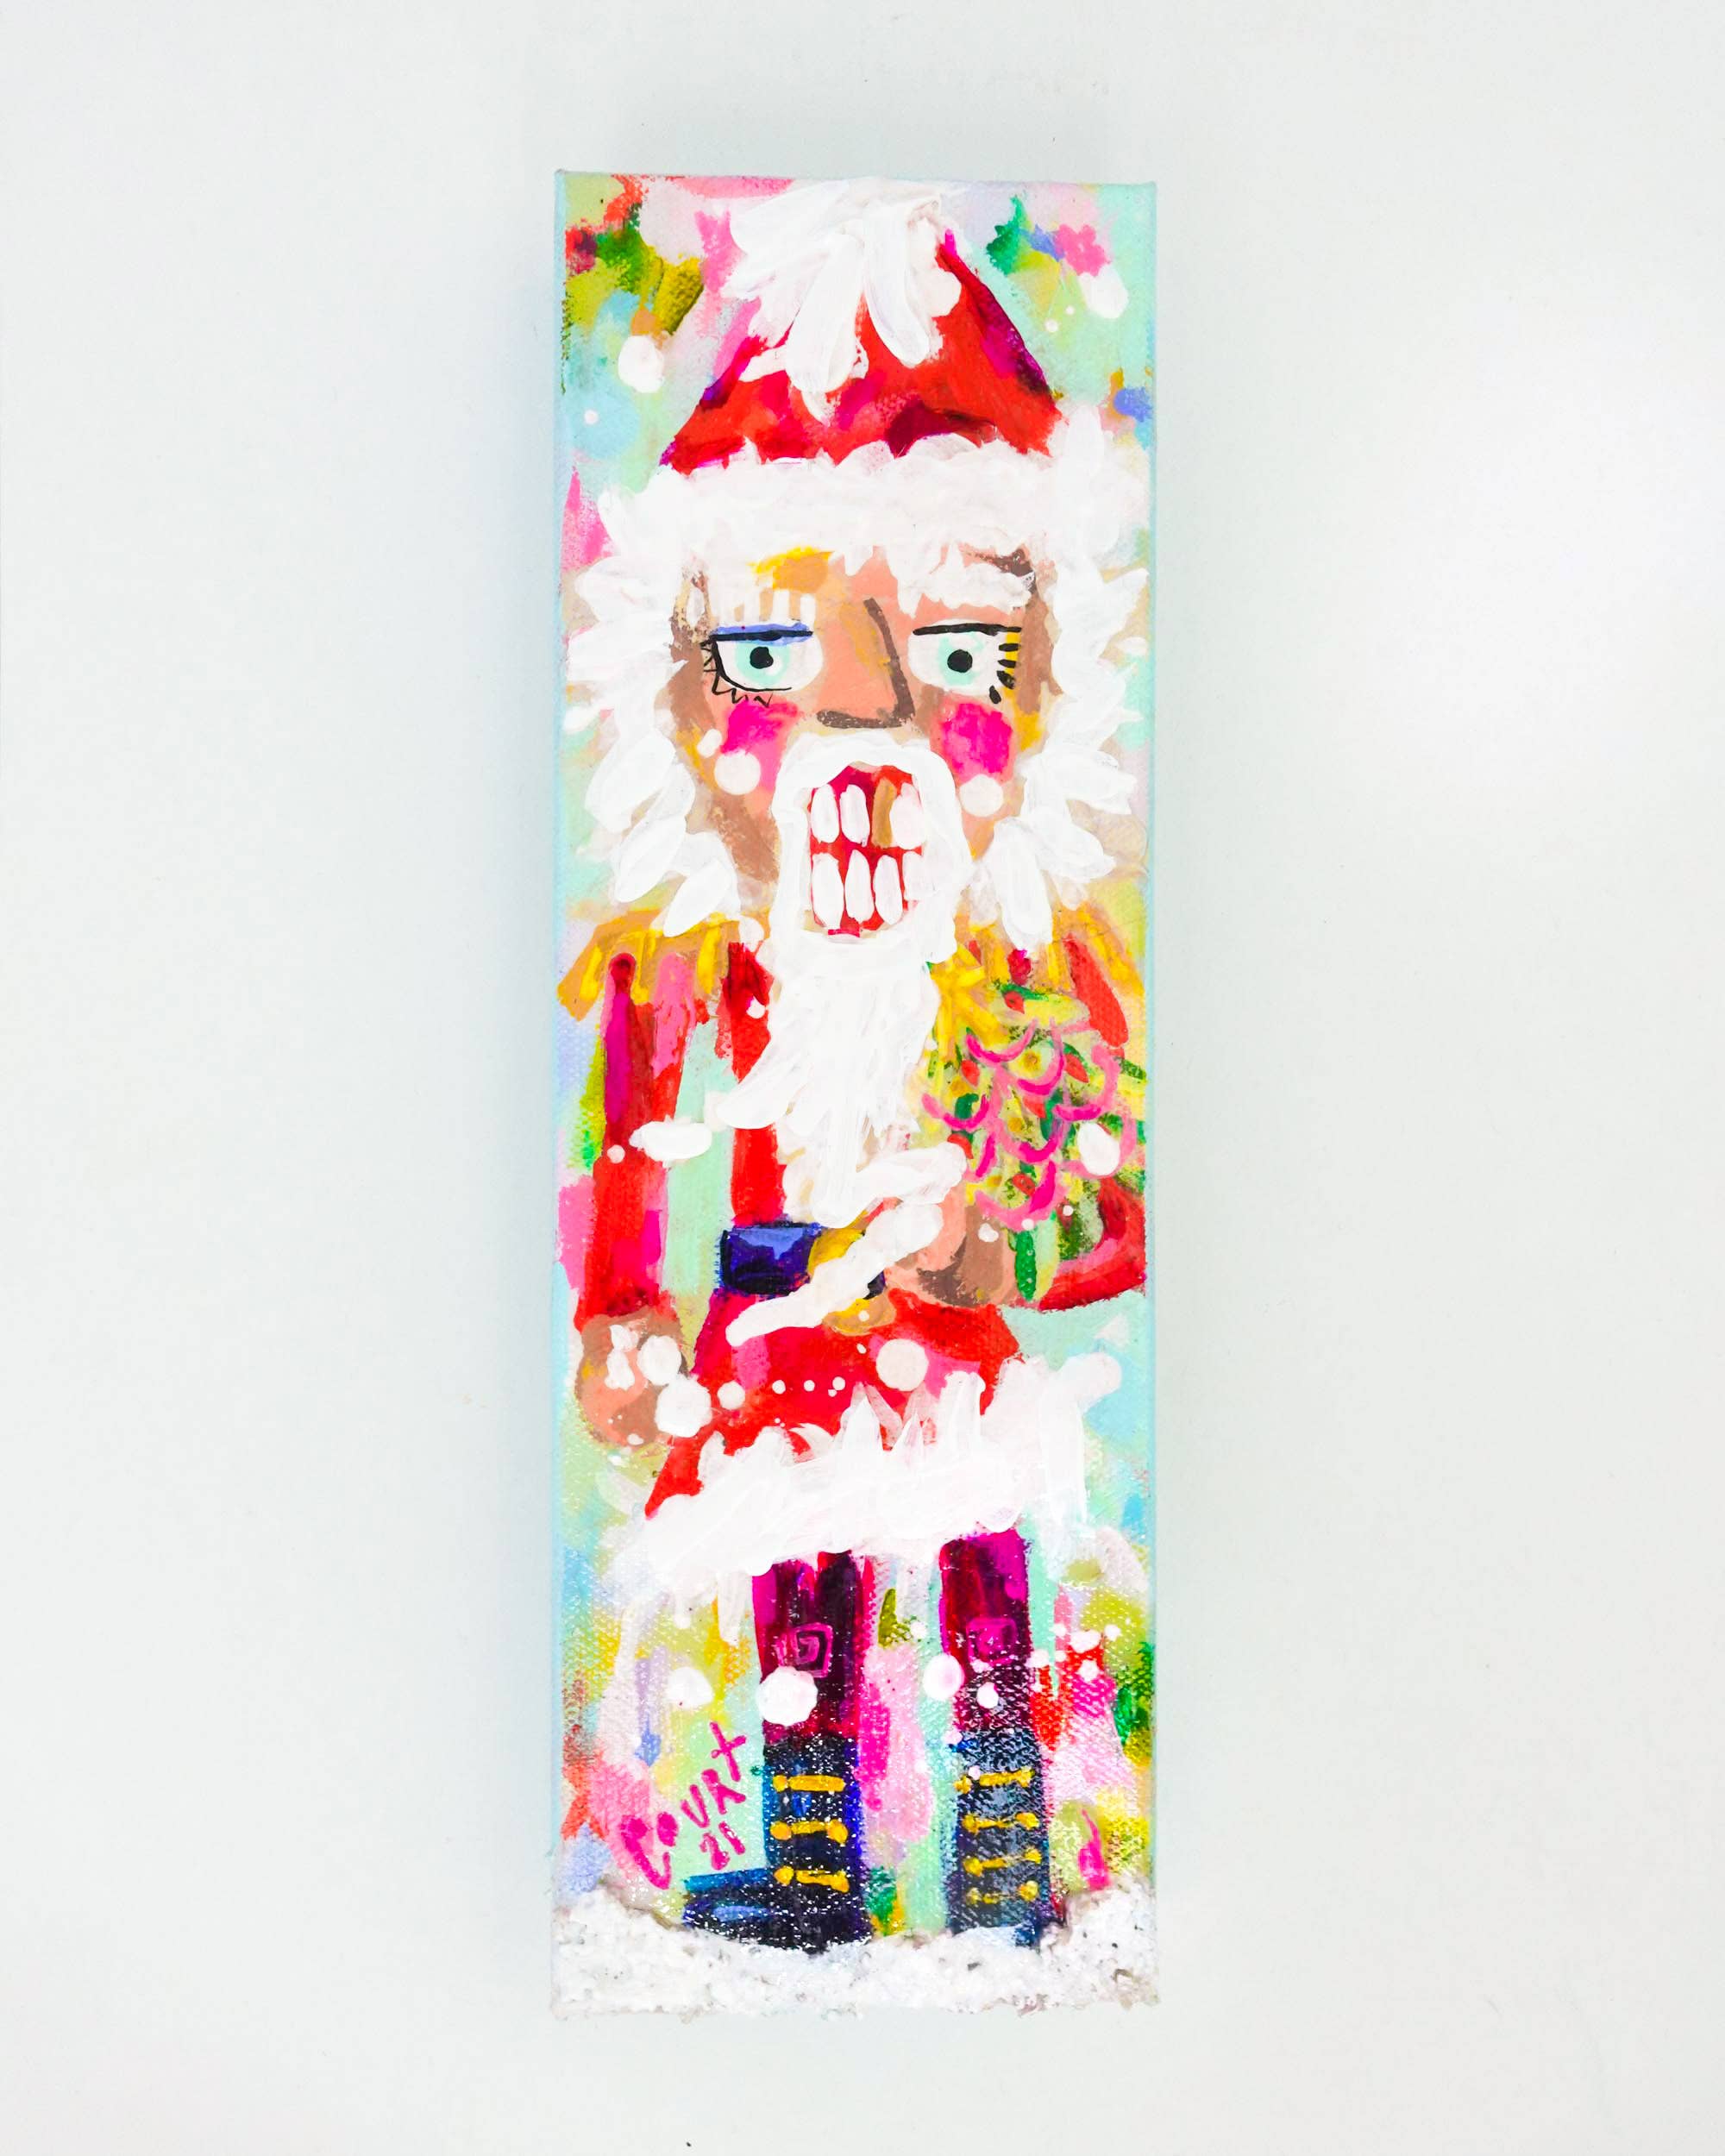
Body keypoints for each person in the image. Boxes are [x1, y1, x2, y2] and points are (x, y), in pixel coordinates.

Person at [562, 182, 1147, 1950]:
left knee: (984, 1585)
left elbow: (1118, 1193)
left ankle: (1001, 1842)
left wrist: (1002, 1246)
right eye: (763, 654)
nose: (861, 723)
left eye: (960, 655)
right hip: (764, 1347)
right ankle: (811, 1861)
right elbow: (621, 1166)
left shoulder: (1024, 956)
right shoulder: (680, 964)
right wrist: (620, 1316)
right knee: (790, 1593)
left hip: (951, 1348)